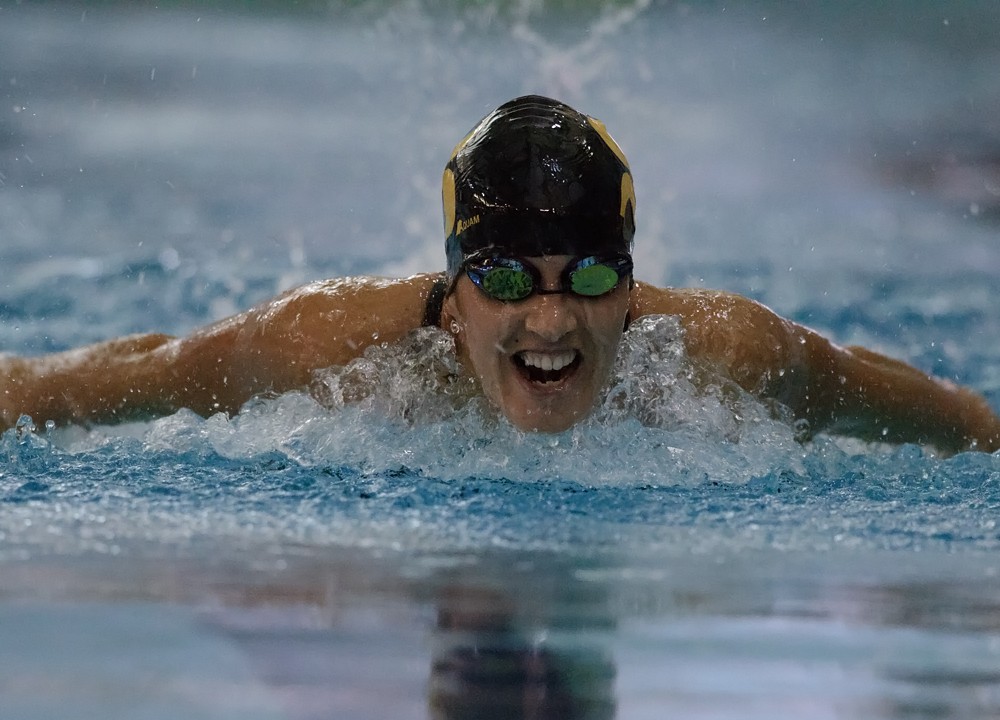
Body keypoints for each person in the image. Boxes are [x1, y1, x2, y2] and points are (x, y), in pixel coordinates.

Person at [2, 95, 998, 454]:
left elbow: (936, 413)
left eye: (589, 277)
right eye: (511, 282)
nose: (552, 320)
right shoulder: (324, 351)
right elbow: (110, 381)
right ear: (453, 302)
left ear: (632, 291)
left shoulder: (730, 355)